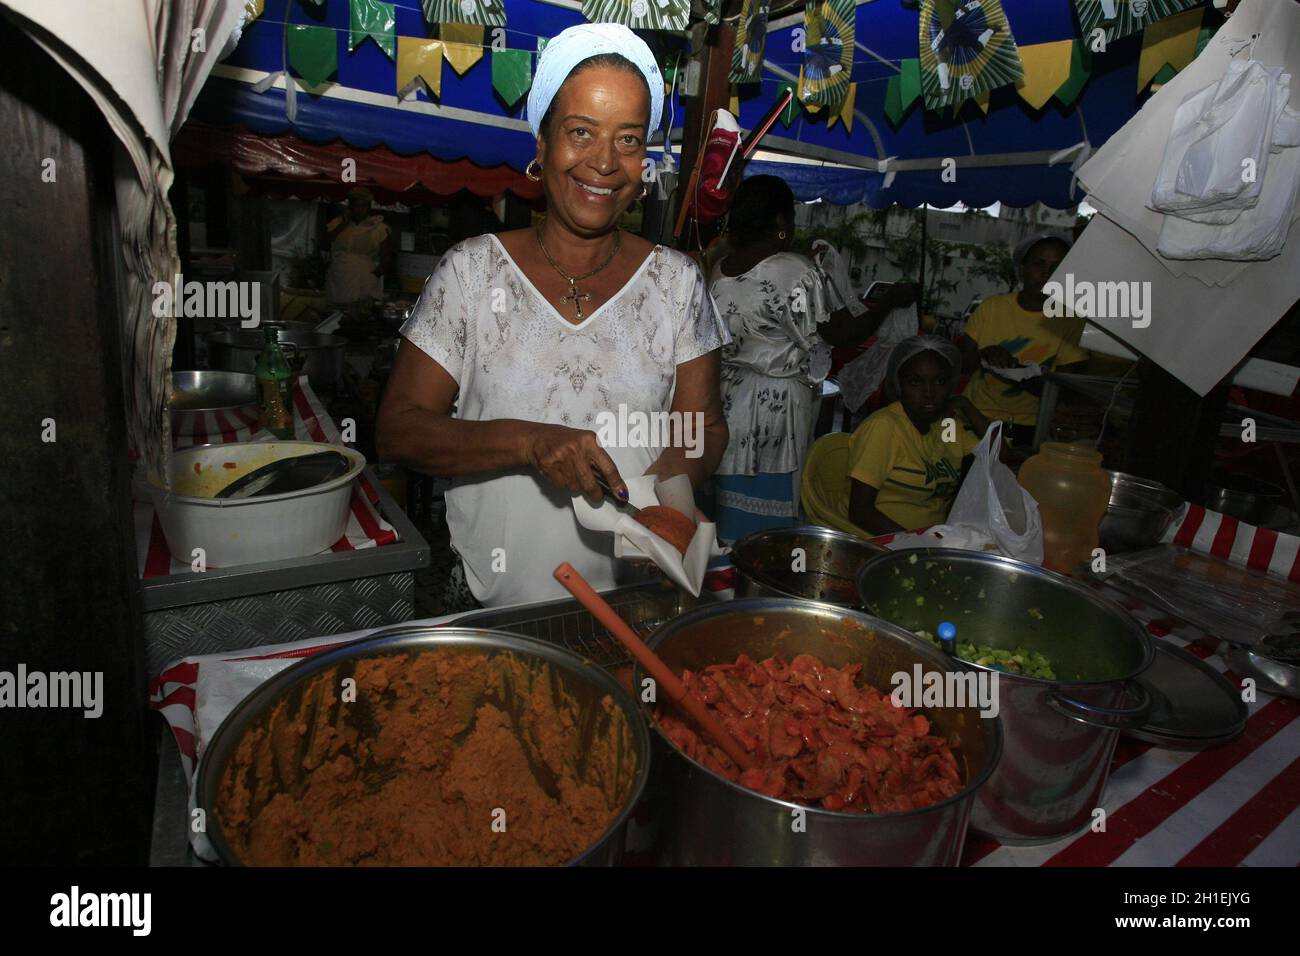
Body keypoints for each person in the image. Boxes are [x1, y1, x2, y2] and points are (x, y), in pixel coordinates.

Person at [376, 23, 729, 610]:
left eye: (628, 140)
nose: (604, 163)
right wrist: (529, 442)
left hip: (636, 603)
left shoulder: (677, 283)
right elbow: (399, 429)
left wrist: (665, 504)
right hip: (494, 607)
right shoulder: (471, 273)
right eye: (581, 132)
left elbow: (705, 426)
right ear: (542, 146)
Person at [707, 176, 889, 543]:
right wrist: (886, 303)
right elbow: (842, 333)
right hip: (775, 408)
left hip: (726, 399)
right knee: (765, 523)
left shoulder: (721, 268)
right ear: (780, 222)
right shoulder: (794, 270)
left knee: (724, 505)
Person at [848, 335, 991, 535]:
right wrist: (917, 546)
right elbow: (859, 512)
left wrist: (967, 406)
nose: (929, 393)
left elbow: (998, 456)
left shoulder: (946, 427)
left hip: (934, 539)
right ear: (899, 384)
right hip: (888, 543)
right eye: (915, 382)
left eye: (940, 382)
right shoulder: (885, 428)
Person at [957, 231, 1088, 448]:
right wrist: (984, 355)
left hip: (1030, 428)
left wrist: (1017, 372)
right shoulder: (992, 307)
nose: (1047, 273)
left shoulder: (1070, 320)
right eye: (1039, 264)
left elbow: (1066, 391)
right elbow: (960, 364)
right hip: (974, 417)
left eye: (1057, 267)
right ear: (1024, 268)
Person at [324, 186, 394, 307]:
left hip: (365, 279)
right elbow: (323, 243)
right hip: (339, 278)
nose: (359, 210)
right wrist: (343, 224)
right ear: (350, 207)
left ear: (369, 207)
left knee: (362, 313)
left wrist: (373, 276)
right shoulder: (337, 223)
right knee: (336, 313)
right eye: (356, 206)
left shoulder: (379, 228)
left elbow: (386, 258)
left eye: (363, 206)